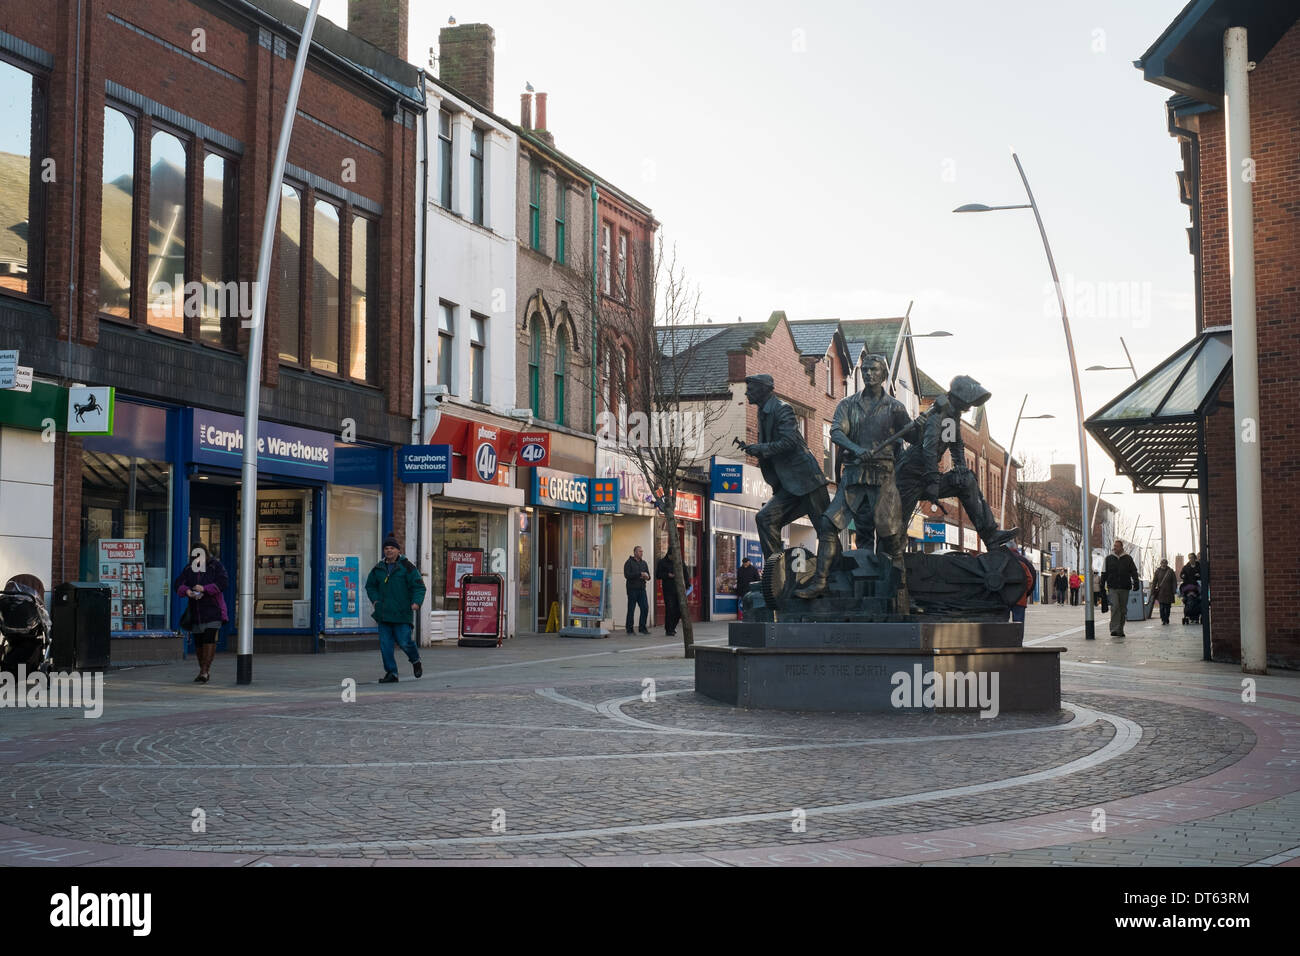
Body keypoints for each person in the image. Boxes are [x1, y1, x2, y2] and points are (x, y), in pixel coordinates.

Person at [794, 354, 912, 603]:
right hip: (854, 476)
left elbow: (913, 438)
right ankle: (821, 581)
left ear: (883, 375)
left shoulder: (896, 407)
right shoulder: (847, 405)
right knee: (828, 524)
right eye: (865, 370)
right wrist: (857, 449)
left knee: (890, 535)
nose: (869, 374)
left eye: (874, 370)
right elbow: (837, 431)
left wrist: (919, 426)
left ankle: (899, 590)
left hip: (883, 477)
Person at [896, 375, 1018, 554]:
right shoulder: (938, 415)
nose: (970, 407)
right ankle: (890, 564)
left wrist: (961, 468)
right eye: (969, 401)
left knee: (966, 480)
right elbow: (928, 449)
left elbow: (955, 444)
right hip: (909, 479)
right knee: (895, 532)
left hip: (925, 477)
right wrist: (932, 481)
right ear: (959, 397)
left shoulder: (951, 417)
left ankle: (991, 536)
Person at [737, 374, 831, 561]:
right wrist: (758, 451)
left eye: (751, 388)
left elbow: (789, 442)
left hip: (806, 480)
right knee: (765, 519)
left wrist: (761, 448)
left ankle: (834, 575)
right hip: (789, 484)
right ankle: (776, 575)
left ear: (763, 389)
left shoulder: (782, 409)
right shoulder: (763, 410)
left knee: (826, 531)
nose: (747, 392)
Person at [365, 534, 425, 683]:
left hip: (402, 612)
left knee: (405, 641)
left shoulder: (407, 567)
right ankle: (392, 673)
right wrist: (375, 601)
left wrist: (416, 602)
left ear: (398, 550)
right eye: (386, 548)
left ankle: (415, 660)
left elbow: (419, 586)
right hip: (383, 613)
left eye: (392, 548)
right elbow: (370, 586)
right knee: (386, 646)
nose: (389, 551)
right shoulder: (378, 568)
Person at [174, 541, 228, 684]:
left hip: (213, 610)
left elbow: (223, 583)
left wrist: (205, 588)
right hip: (196, 611)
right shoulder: (188, 569)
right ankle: (203, 670)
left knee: (209, 638)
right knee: (198, 642)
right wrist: (187, 591)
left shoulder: (215, 566)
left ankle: (204, 671)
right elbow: (178, 584)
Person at [1102, 539, 1141, 637]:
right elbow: (1104, 573)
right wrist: (1102, 585)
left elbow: (1133, 571)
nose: (1114, 548)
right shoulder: (1108, 558)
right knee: (1115, 607)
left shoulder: (1128, 558)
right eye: (1114, 546)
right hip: (1112, 587)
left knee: (1123, 609)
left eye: (1117, 546)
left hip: (1124, 587)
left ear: (1121, 547)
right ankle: (1114, 629)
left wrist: (1136, 582)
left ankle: (1120, 629)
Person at [1007, 545, 1038, 624]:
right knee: (1018, 623)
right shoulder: (1022, 563)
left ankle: (1005, 636)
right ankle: (1017, 636)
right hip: (1019, 598)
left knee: (1002, 623)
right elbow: (1030, 579)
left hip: (1004, 598)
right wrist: (1024, 592)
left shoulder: (1001, 563)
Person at [623, 545, 650, 634]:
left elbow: (648, 576)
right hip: (632, 589)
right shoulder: (629, 562)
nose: (641, 553)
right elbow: (627, 575)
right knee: (631, 609)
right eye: (639, 551)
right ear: (635, 552)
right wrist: (639, 574)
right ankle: (629, 629)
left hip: (642, 589)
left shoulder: (644, 563)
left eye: (642, 551)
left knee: (645, 608)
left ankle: (642, 628)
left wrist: (646, 577)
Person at [655, 551, 680, 636]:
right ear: (669, 555)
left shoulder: (678, 560)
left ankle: (672, 627)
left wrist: (687, 584)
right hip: (668, 589)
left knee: (679, 610)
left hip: (678, 588)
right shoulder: (662, 562)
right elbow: (658, 575)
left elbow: (685, 572)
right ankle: (669, 629)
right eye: (673, 555)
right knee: (670, 609)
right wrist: (667, 575)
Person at [1152, 558, 1178, 626]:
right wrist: (1152, 590)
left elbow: (1174, 581)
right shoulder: (1157, 571)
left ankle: (1167, 618)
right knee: (1162, 607)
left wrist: (1174, 589)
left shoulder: (1171, 571)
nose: (1164, 564)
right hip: (1161, 592)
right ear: (1161, 564)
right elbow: (1154, 581)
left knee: (1168, 607)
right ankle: (1163, 619)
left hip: (1169, 592)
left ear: (1167, 563)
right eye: (1162, 563)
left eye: (1165, 563)